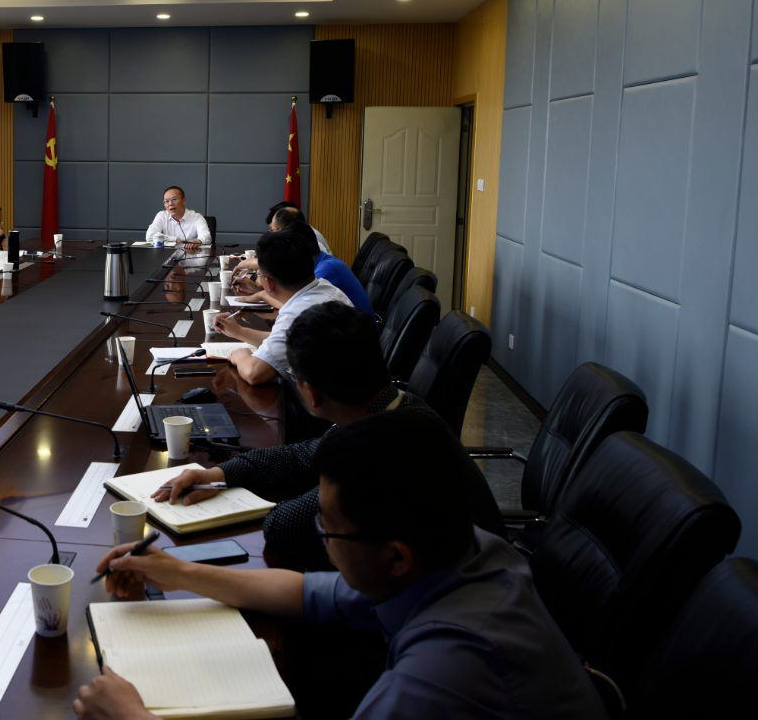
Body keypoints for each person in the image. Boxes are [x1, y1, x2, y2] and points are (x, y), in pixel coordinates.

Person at [78, 411, 605, 720]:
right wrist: (177, 571)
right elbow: (306, 593)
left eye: (327, 529)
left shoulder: (448, 670)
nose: (322, 541)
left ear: (394, 556)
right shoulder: (459, 551)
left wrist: (133, 717)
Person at [160, 301, 504, 570]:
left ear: (311, 392)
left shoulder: (381, 450)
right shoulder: (392, 407)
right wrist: (217, 475)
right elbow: (301, 456)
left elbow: (285, 528)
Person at [212, 230, 351, 385]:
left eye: (260, 275)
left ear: (268, 283)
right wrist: (238, 332)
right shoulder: (326, 287)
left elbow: (254, 373)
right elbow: (284, 341)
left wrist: (241, 358)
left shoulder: (297, 313)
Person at [276, 210, 373, 317]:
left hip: (359, 327)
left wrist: (264, 294)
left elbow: (301, 308)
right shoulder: (325, 263)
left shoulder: (327, 269)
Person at [144, 186, 210, 249]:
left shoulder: (196, 217)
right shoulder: (161, 216)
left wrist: (198, 241)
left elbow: (206, 236)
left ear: (184, 201)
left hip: (191, 255)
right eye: (166, 201)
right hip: (167, 255)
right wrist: (173, 239)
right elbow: (150, 236)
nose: (170, 204)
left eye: (174, 199)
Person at [265, 200, 332, 255]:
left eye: (272, 230)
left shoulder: (308, 242)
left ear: (282, 230)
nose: (272, 234)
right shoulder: (300, 238)